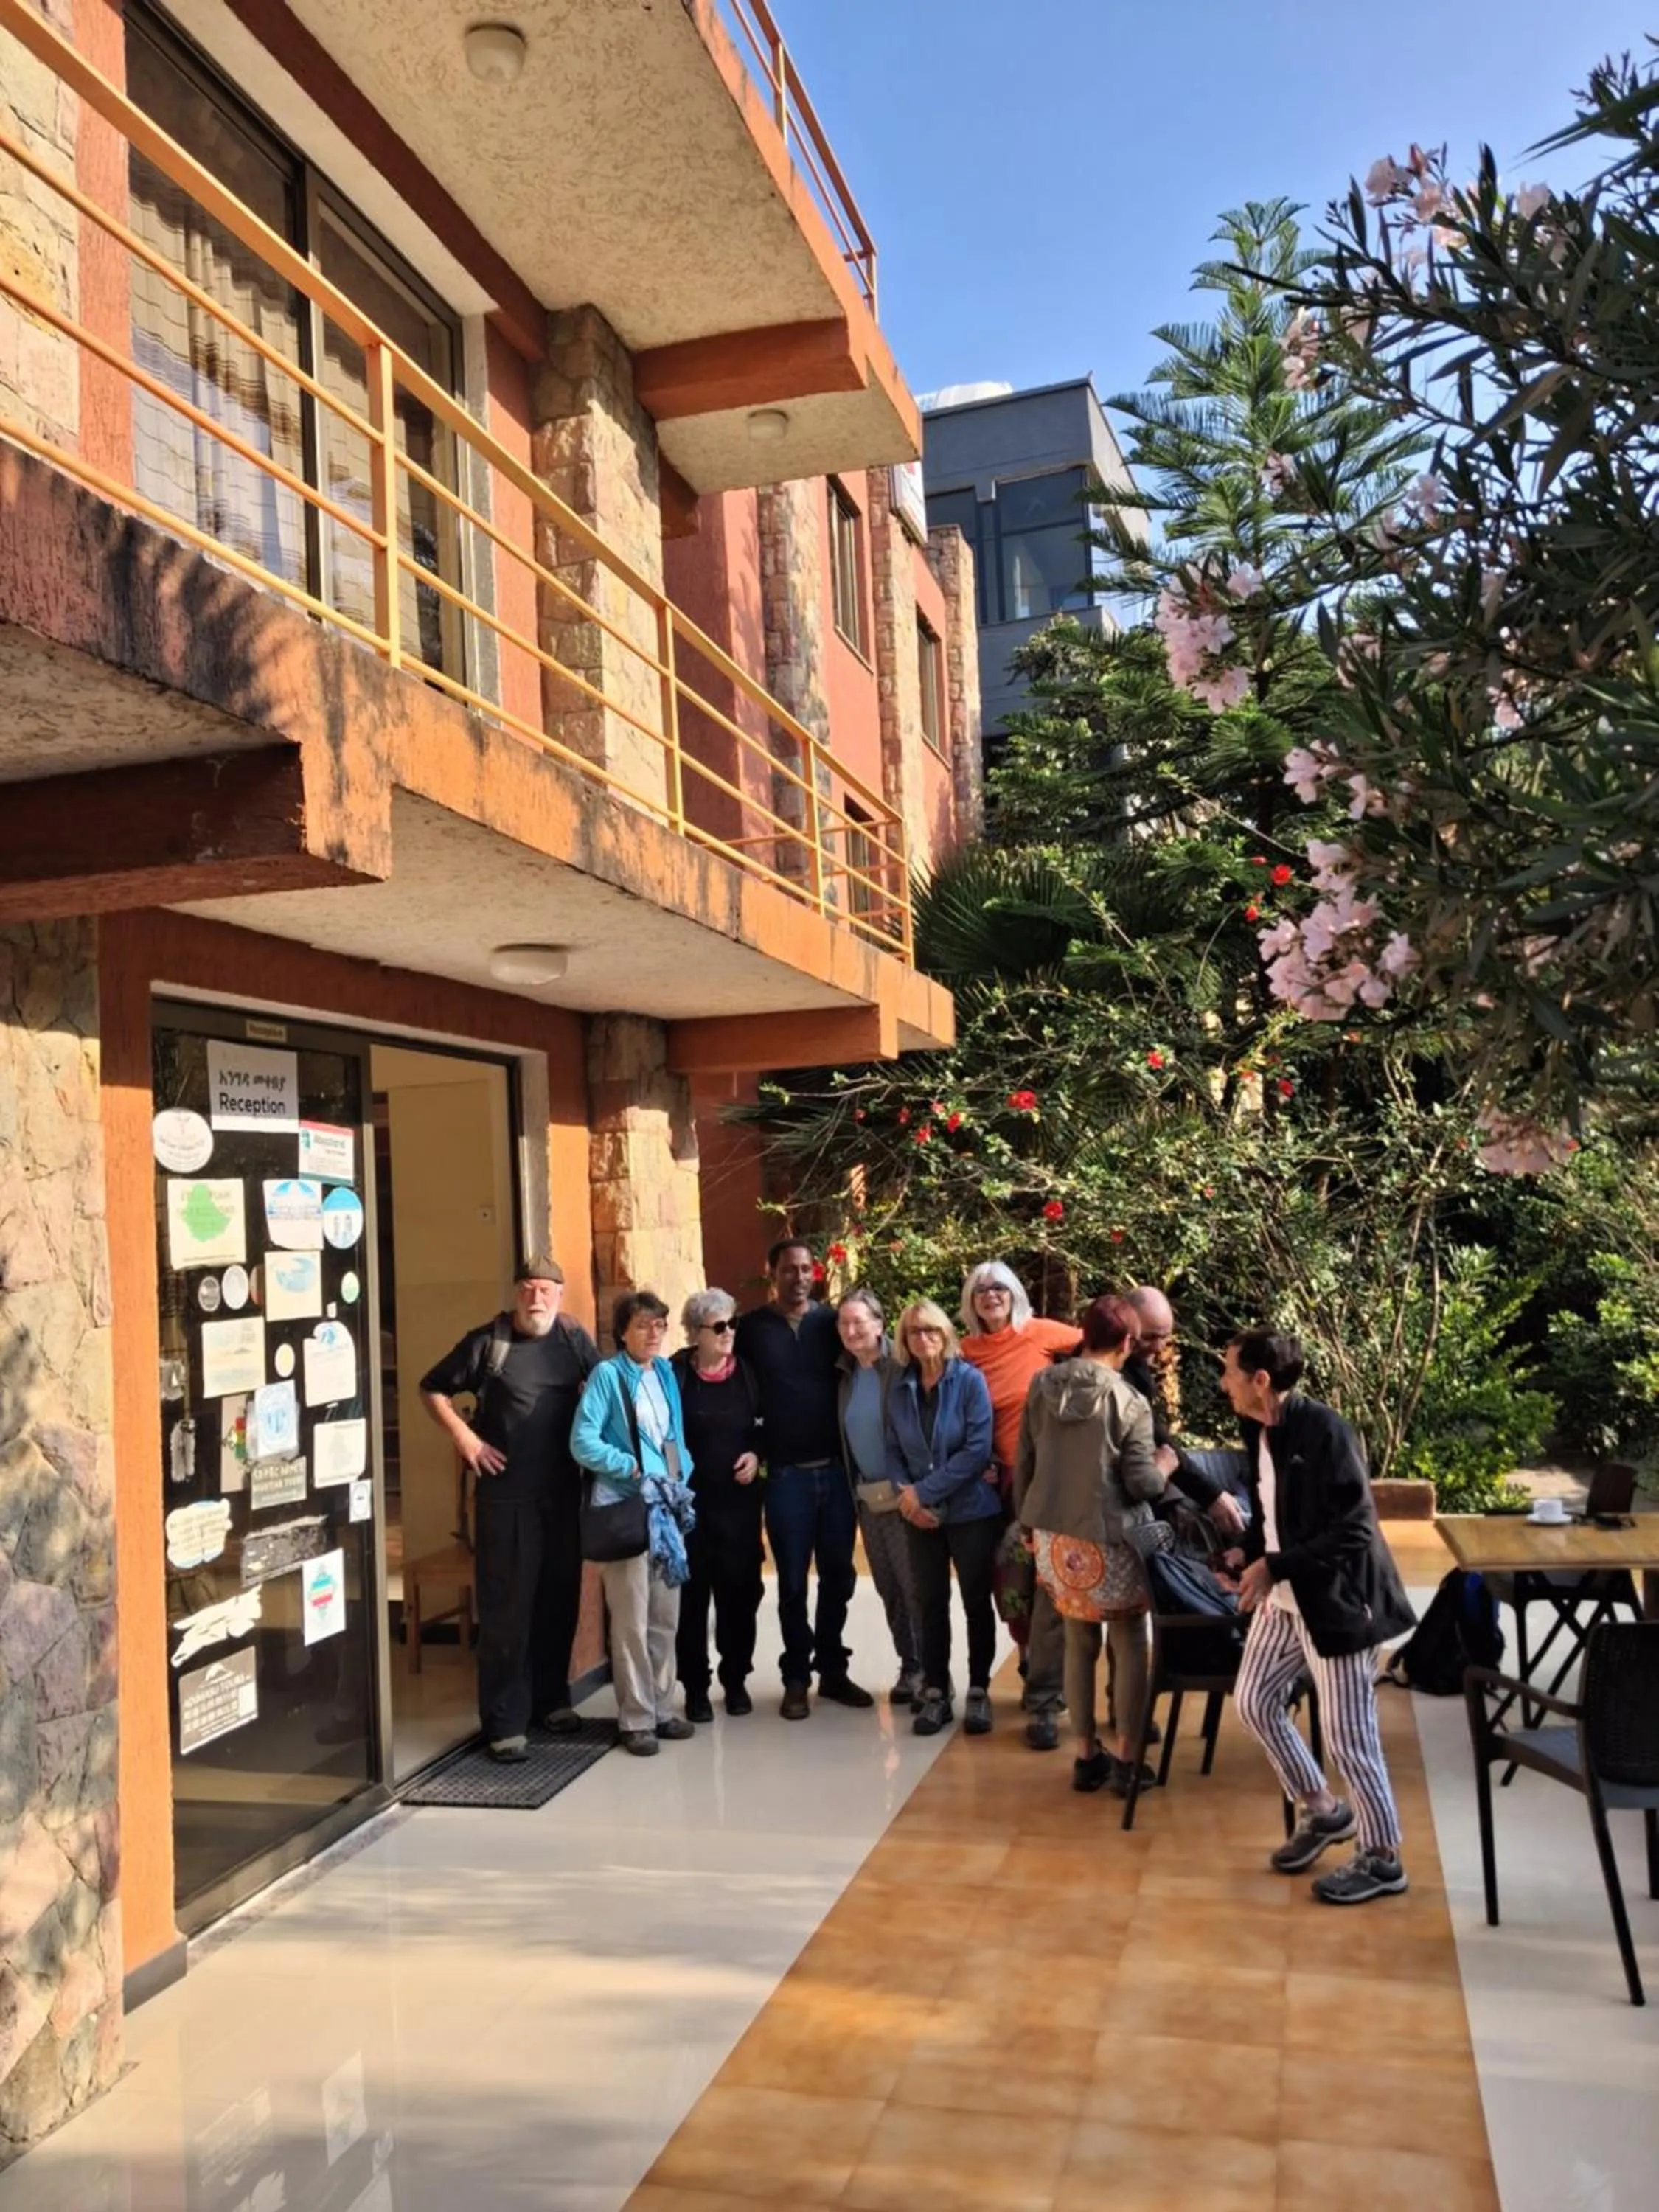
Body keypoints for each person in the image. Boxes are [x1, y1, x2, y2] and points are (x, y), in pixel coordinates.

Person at [1218, 1329, 1418, 1903]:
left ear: (1261, 1381)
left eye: (1231, 1372)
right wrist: (1248, 1551)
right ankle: (1324, 1809)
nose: (1224, 1383)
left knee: (1349, 1738)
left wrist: (1275, 1566)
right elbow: (1272, 1508)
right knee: (1254, 1700)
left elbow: (1356, 1529)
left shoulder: (1326, 1431)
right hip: (1286, 1598)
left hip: (1338, 1603)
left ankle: (1382, 1857)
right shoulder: (1258, 1428)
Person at [419, 1256, 599, 1764]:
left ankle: (552, 1702)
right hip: (506, 1501)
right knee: (507, 1612)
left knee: (559, 1601)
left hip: (563, 1496)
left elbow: (606, 1388)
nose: (536, 1298)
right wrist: (467, 1441)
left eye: (545, 1290)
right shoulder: (487, 1342)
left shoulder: (573, 1340)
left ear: (559, 1295)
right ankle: (504, 1723)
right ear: (517, 1293)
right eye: (528, 1289)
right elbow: (432, 1388)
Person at [1016, 1293, 1168, 1796]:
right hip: (1110, 1539)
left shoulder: (1042, 1386)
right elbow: (1142, 1483)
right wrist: (1166, 1466)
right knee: (1130, 1641)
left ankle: (1086, 1758)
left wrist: (1027, 1524)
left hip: (1055, 1539)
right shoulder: (1129, 1401)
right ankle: (1127, 1759)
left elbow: (1025, 1461)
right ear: (1125, 1342)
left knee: (1079, 1641)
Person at [736, 1238, 872, 1720]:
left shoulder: (832, 1324)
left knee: (839, 1578)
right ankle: (796, 1677)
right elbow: (729, 1380)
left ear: (816, 1273)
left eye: (806, 1269)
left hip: (835, 1475)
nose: (798, 1277)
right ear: (771, 1272)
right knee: (792, 1583)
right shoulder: (752, 1329)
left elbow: (870, 1364)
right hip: (785, 1478)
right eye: (789, 1269)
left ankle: (832, 1670)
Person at [959, 1261, 1081, 1753]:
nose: (990, 1295)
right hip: (996, 1481)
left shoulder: (1040, 1333)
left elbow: (1098, 1348)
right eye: (980, 1289)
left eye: (999, 1287)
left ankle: (1053, 1677)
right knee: (1008, 1576)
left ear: (1014, 1294)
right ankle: (1028, 1654)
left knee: (1050, 1575)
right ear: (971, 1301)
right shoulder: (965, 1351)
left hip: (1047, 1479)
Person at [570, 1290, 698, 1756]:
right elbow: (582, 1441)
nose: (653, 1333)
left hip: (664, 1510)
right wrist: (629, 1467)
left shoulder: (664, 1373)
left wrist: (680, 1472)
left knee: (665, 1617)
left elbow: (673, 1435)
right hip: (625, 1511)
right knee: (630, 1621)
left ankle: (662, 1709)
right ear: (622, 1332)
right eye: (642, 1325)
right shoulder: (608, 1375)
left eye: (659, 1325)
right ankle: (637, 1718)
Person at [886, 1298, 998, 1738]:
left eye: (931, 1329)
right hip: (920, 1517)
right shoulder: (901, 1387)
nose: (923, 1338)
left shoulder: (969, 1381)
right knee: (930, 1603)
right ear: (904, 1340)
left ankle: (979, 1690)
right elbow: (892, 1450)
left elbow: (977, 1450)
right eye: (914, 1332)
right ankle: (936, 1691)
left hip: (971, 1511)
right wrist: (909, 1498)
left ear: (946, 1334)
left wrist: (924, 1492)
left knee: (976, 1602)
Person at [672, 1289, 765, 1722]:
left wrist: (756, 1456)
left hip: (738, 1509)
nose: (729, 1333)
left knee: (740, 1596)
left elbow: (765, 1426)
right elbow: (663, 1431)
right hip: (691, 1510)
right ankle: (695, 1686)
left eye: (733, 1324)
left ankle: (736, 1678)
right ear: (696, 1334)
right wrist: (675, 1477)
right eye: (720, 1326)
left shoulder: (748, 1373)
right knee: (691, 1601)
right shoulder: (675, 1375)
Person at [836, 1287, 925, 1705]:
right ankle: (910, 1665)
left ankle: (932, 1671)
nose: (851, 1330)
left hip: (907, 1494)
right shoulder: (845, 1375)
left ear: (879, 1323)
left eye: (859, 1321)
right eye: (844, 1323)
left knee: (916, 1584)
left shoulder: (903, 1367)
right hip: (870, 1500)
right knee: (889, 1586)